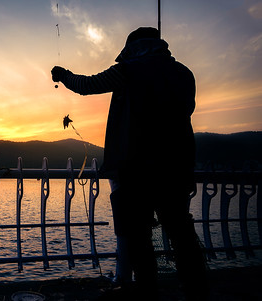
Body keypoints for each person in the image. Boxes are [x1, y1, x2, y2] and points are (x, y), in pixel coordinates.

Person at [51, 27, 208, 300]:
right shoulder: (184, 73)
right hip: (176, 167)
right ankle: (196, 290)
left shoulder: (127, 71)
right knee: (180, 231)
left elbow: (87, 86)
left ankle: (147, 291)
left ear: (132, 48)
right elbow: (187, 110)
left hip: (136, 168)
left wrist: (63, 75)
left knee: (138, 235)